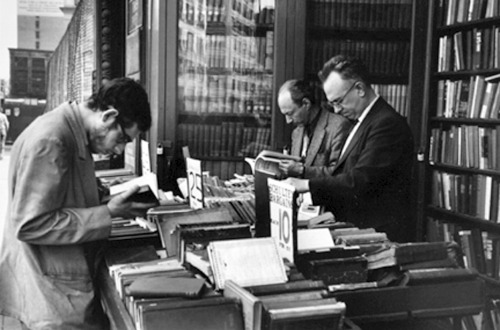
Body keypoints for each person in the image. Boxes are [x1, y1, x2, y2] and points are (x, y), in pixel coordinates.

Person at [0, 77, 156, 329]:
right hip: (51, 292)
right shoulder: (52, 141)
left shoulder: (66, 131)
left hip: (55, 280)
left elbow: (62, 192)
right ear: (108, 116)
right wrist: (107, 212)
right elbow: (30, 224)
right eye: (122, 139)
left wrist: (105, 197)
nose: (118, 151)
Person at [284, 55, 415, 242]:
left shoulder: (386, 124)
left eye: (338, 101)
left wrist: (306, 185)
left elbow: (360, 180)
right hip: (360, 229)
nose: (336, 110)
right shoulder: (363, 121)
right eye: (332, 104)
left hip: (378, 237)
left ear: (360, 89)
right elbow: (345, 174)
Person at [277, 79, 351, 178]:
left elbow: (339, 173)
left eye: (290, 114)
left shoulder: (338, 127)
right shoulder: (296, 133)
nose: (288, 121)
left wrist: (302, 170)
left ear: (306, 103)